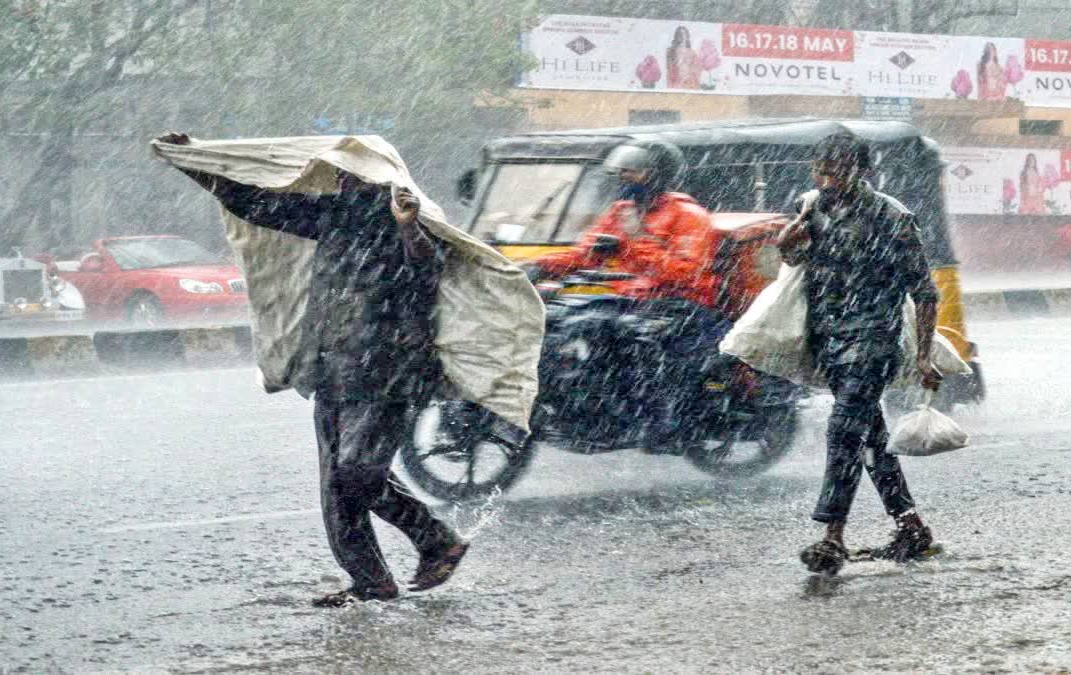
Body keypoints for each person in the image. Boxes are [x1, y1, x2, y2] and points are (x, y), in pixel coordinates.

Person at [156, 132, 470, 608]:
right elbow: (257, 204)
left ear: (376, 177)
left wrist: (407, 227)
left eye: (351, 173)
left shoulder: (408, 215)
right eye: (340, 172)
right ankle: (371, 581)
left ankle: (435, 540)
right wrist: (196, 165)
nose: (342, 179)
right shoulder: (333, 214)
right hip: (333, 364)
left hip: (389, 369)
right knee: (336, 485)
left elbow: (429, 267)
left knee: (356, 473)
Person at [776, 132, 943, 572]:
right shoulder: (810, 209)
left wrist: (924, 356)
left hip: (872, 341)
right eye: (820, 169)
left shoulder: (893, 217)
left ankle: (832, 536)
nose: (827, 178)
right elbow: (794, 263)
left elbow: (924, 292)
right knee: (870, 439)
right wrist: (786, 244)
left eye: (838, 170)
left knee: (843, 431)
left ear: (862, 171)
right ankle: (910, 525)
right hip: (828, 340)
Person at [526, 140, 729, 450]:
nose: (624, 178)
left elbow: (685, 271)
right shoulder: (623, 211)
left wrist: (632, 244)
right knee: (565, 322)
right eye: (623, 171)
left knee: (622, 337)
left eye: (634, 172)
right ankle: (587, 404)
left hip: (684, 303)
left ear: (657, 175)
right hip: (637, 298)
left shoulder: (689, 215)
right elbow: (586, 253)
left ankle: (663, 422)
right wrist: (540, 267)